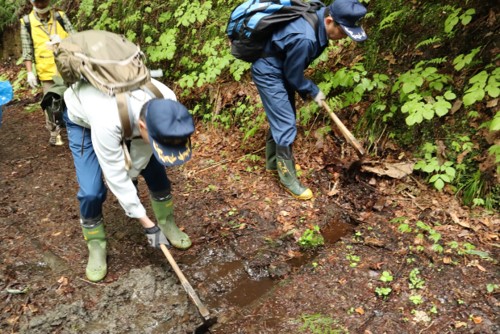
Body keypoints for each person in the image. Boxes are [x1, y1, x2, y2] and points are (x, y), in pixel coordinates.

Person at [63, 79, 195, 282]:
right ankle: (96, 243)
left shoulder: (167, 102)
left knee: (156, 173)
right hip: (84, 121)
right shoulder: (106, 119)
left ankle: (166, 221)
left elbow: (140, 158)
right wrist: (146, 223)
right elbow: (115, 174)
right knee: (92, 191)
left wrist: (131, 180)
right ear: (143, 126)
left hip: (126, 121)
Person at [252, 0, 368, 200]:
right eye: (343, 32)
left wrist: (308, 90)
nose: (343, 38)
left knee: (285, 116)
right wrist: (313, 91)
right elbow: (294, 75)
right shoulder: (306, 38)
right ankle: (287, 178)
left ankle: (274, 162)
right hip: (269, 71)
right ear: (330, 21)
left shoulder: (318, 16)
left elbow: (292, 70)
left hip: (281, 66)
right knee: (286, 123)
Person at [20, 0, 75, 145]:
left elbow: (76, 37)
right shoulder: (27, 22)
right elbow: (27, 50)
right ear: (33, 2)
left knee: (73, 98)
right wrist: (30, 72)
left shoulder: (60, 16)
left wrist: (63, 40)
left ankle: (76, 128)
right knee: (51, 103)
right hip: (46, 70)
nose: (41, 5)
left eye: (44, 1)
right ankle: (54, 133)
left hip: (67, 66)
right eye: (38, 2)